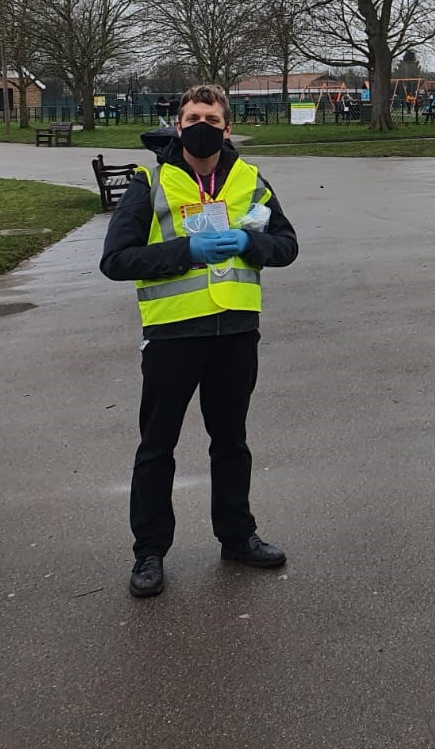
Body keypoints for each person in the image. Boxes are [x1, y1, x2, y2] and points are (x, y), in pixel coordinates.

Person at [100, 84, 300, 598]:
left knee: (230, 442)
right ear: (176, 125)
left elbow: (287, 245)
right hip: (173, 334)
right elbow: (116, 260)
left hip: (235, 332)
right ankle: (149, 553)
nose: (201, 125)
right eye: (191, 116)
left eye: (211, 117)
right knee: (157, 446)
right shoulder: (150, 182)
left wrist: (251, 243)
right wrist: (185, 249)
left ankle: (236, 536)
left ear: (228, 127)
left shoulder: (250, 180)